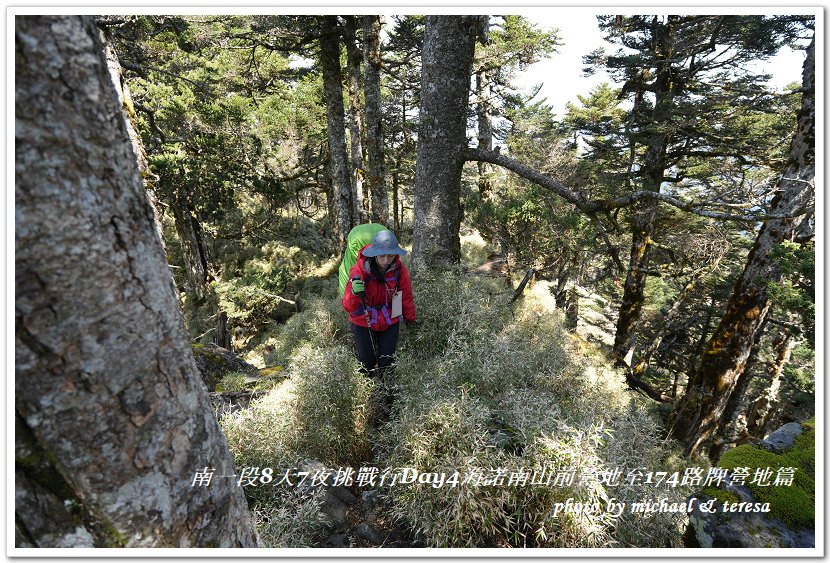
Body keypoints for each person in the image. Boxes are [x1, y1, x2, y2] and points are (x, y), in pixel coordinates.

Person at [342, 229, 416, 388]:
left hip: (390, 319)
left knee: (387, 361)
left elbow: (406, 295)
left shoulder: (399, 269)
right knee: (366, 362)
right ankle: (365, 393)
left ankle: (387, 393)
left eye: (390, 255)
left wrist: (410, 319)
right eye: (382, 255)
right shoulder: (359, 270)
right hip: (363, 320)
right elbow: (348, 306)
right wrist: (354, 292)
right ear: (374, 253)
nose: (386, 259)